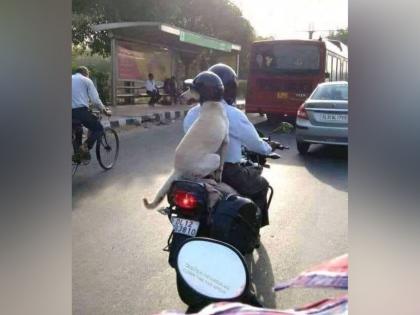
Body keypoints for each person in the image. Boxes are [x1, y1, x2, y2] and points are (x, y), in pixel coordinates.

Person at [183, 63, 277, 227]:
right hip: (227, 171)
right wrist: (269, 148)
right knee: (261, 184)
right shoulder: (233, 114)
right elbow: (255, 143)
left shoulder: (191, 113)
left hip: (195, 169)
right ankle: (254, 231)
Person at [72, 66, 111, 160]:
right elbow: (95, 100)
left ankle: (78, 156)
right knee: (99, 128)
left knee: (78, 129)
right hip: (79, 112)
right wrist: (104, 110)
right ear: (85, 74)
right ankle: (84, 148)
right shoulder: (86, 80)